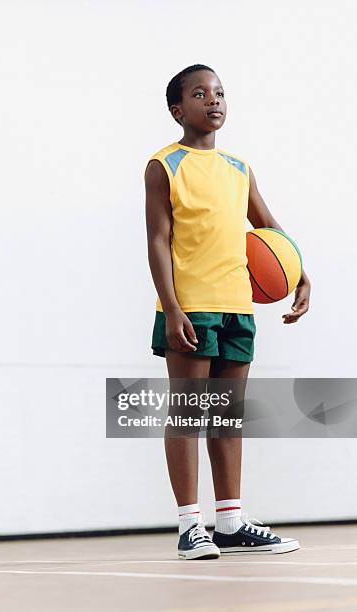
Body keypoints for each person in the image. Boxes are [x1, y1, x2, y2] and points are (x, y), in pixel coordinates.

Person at [144, 64, 311, 560]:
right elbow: (157, 240)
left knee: (226, 416)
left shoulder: (239, 167)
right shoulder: (163, 165)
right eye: (200, 94)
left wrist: (300, 271)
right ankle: (189, 526)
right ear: (178, 109)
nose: (213, 101)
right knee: (189, 413)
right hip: (190, 308)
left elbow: (268, 226)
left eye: (219, 93)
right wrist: (171, 307)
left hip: (238, 306)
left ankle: (231, 523)